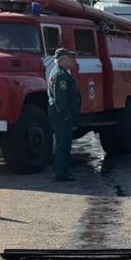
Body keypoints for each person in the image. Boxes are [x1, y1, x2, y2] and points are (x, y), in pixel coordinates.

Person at [47, 47, 81, 181]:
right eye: (70, 57)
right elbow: (60, 99)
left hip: (60, 114)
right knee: (64, 144)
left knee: (64, 143)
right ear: (64, 59)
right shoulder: (61, 75)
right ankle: (61, 174)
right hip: (61, 115)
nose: (73, 60)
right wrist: (66, 115)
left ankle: (62, 171)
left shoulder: (59, 72)